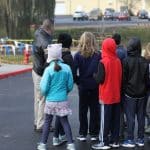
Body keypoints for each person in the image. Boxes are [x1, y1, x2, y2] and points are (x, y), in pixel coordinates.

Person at [37, 43, 75, 150]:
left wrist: (47, 94)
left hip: (50, 100)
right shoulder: (67, 68)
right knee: (65, 122)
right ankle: (71, 144)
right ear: (60, 55)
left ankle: (43, 144)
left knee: (47, 122)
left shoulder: (48, 70)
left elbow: (43, 87)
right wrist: (65, 92)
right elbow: (70, 85)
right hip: (62, 99)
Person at [92, 38, 122, 149]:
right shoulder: (118, 61)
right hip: (116, 95)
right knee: (115, 119)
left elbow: (100, 79)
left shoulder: (103, 62)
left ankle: (104, 142)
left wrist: (94, 75)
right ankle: (115, 141)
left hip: (106, 95)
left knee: (105, 119)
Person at [121, 37, 149, 148]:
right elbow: (147, 79)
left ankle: (130, 139)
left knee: (130, 117)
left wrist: (124, 90)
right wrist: (146, 89)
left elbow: (124, 79)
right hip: (142, 93)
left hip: (130, 93)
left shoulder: (126, 61)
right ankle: (141, 139)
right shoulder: (144, 61)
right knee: (141, 117)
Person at [73, 32, 100, 141]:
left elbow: (73, 72)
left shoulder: (78, 55)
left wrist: (79, 82)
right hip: (95, 85)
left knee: (83, 110)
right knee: (94, 109)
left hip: (83, 85)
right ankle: (94, 132)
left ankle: (82, 133)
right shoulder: (98, 55)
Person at [32, 19, 54, 132]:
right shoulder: (46, 41)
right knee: (43, 98)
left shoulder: (37, 33)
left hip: (35, 69)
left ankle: (37, 122)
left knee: (37, 98)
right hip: (41, 71)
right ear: (49, 28)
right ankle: (41, 124)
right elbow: (49, 58)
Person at [52, 33, 74, 146]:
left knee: (58, 113)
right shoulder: (68, 57)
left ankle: (60, 134)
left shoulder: (54, 56)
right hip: (63, 90)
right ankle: (57, 136)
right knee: (61, 113)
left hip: (53, 89)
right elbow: (72, 75)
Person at [112, 33, 127, 140]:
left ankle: (115, 131)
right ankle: (121, 129)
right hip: (123, 83)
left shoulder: (113, 52)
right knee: (122, 108)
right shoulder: (125, 52)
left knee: (113, 108)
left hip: (114, 83)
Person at [143, 42, 150, 134]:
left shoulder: (146, 61)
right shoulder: (146, 61)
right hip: (147, 88)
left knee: (148, 109)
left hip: (147, 88)